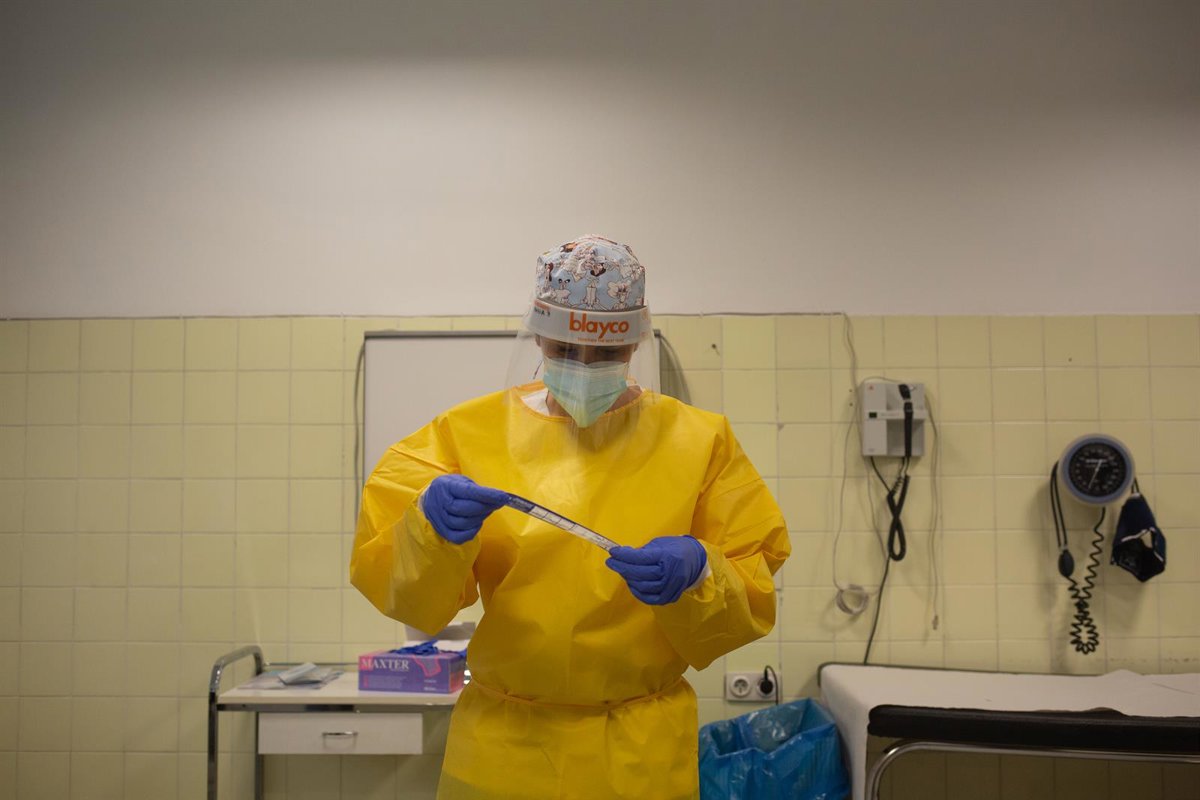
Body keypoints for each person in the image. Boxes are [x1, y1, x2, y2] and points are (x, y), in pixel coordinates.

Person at [350, 234, 790, 799]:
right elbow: (405, 597)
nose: (583, 368)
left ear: (633, 345)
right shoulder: (465, 436)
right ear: (538, 336)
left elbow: (751, 581)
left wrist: (701, 570)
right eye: (564, 350)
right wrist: (428, 530)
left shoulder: (699, 443)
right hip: (505, 749)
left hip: (638, 751)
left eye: (605, 354)